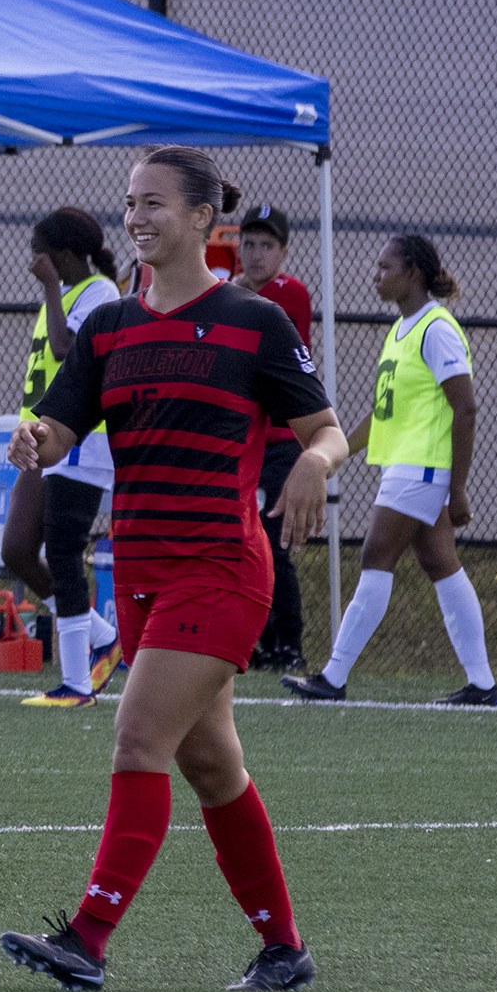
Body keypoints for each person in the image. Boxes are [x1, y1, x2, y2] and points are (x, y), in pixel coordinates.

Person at [0, 148, 344, 992]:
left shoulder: (254, 321)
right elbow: (61, 426)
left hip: (222, 569)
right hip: (143, 569)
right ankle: (283, 950)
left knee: (138, 736)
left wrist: (314, 465)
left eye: (154, 203)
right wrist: (34, 440)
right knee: (213, 768)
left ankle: (87, 936)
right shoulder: (111, 326)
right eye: (129, 204)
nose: (137, 218)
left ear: (200, 219)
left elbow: (327, 430)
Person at [283, 235, 497, 707]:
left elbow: (466, 409)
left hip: (422, 468)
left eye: (385, 266)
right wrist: (332, 453)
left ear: (413, 273)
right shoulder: (401, 329)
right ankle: (483, 685)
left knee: (376, 556)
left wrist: (457, 489)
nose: (375, 275)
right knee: (442, 565)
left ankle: (333, 678)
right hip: (409, 466)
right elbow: (382, 415)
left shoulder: (436, 329)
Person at [2, 209, 124, 709]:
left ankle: (76, 685)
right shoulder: (70, 294)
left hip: (83, 439)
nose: (34, 260)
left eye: (41, 250)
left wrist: (51, 288)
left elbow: (67, 347)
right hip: (42, 437)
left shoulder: (101, 292)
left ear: (66, 254)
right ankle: (103, 636)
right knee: (16, 550)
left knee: (66, 550)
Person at [234, 207, 319, 670]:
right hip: (245, 438)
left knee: (274, 542)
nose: (257, 254)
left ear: (284, 252)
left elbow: (258, 329)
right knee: (240, 541)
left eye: (268, 245)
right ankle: (255, 643)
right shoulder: (232, 292)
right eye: (249, 244)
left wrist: (233, 292)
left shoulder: (290, 293)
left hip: (284, 439)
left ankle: (289, 644)